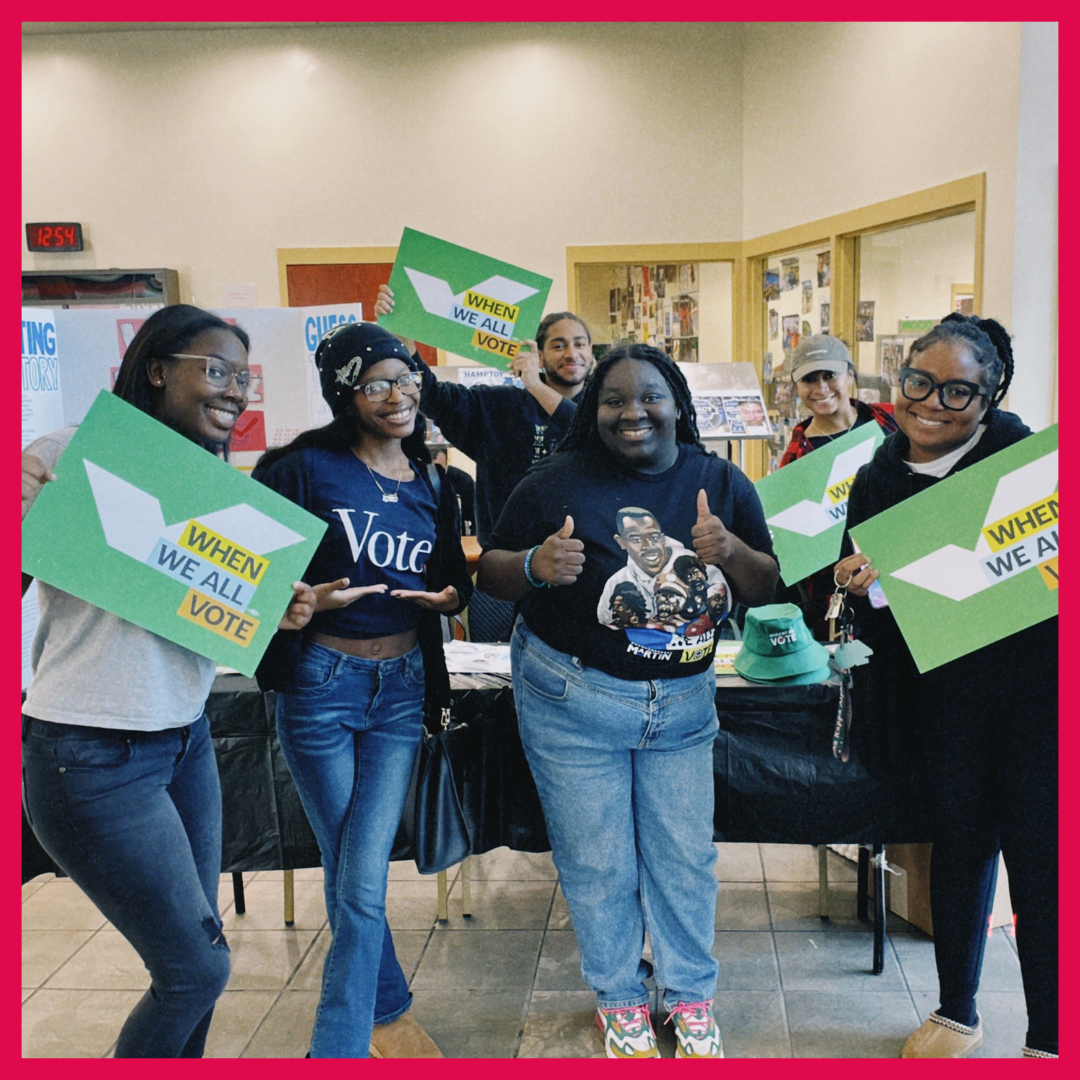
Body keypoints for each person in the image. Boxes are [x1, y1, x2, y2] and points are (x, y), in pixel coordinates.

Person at [21, 305, 319, 1057]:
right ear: (156, 368)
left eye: (243, 378)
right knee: (195, 971)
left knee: (198, 954)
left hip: (184, 740)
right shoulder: (66, 456)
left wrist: (276, 611)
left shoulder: (212, 487)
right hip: (89, 752)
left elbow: (200, 615)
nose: (234, 391)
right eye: (215, 370)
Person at [478, 343, 778, 1059]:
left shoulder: (720, 480)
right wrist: (535, 565)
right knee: (597, 861)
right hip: (573, 701)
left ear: (677, 403)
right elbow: (490, 572)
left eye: (649, 396)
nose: (632, 412)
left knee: (684, 858)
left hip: (682, 707)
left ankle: (690, 996)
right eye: (613, 400)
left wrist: (730, 551)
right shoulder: (554, 482)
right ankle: (619, 999)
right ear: (593, 410)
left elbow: (767, 583)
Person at [834, 314, 1057, 1059]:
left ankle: (1052, 1037)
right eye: (919, 382)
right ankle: (957, 1011)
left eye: (957, 392)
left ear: (990, 398)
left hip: (1039, 701)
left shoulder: (1029, 467)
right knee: (958, 849)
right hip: (941, 701)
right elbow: (857, 595)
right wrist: (854, 583)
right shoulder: (875, 476)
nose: (931, 403)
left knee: (1043, 863)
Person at [251, 321, 472, 1059]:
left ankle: (375, 1015)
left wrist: (449, 600)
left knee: (356, 868)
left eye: (406, 378)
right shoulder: (300, 470)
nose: (398, 394)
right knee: (360, 872)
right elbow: (249, 575)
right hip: (321, 684)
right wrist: (299, 600)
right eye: (376, 384)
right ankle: (342, 1045)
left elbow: (453, 576)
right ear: (344, 395)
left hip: (402, 689)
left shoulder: (435, 479)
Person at [375, 283, 592, 640]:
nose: (572, 353)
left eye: (580, 344)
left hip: (584, 574)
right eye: (558, 345)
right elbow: (435, 397)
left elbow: (588, 433)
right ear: (537, 354)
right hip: (508, 574)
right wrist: (406, 344)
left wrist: (537, 386)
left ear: (592, 354)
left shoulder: (607, 412)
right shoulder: (499, 408)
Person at [777, 334, 898, 638]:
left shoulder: (890, 421)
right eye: (809, 379)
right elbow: (802, 549)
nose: (821, 388)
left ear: (850, 375)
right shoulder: (796, 460)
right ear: (796, 386)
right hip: (846, 600)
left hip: (907, 571)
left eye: (830, 375)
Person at [430, 445, 475, 536]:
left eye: (440, 469)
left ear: (447, 462)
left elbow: (475, 519)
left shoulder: (463, 480)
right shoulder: (413, 478)